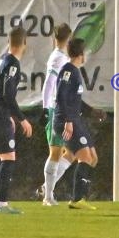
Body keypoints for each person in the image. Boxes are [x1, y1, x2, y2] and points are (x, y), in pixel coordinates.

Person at [0, 27, 33, 214]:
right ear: (24, 44)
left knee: (0, 157)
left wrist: (9, 117)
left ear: (9, 41)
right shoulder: (12, 63)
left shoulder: (4, 59)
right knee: (8, 158)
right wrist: (22, 119)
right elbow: (7, 95)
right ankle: (2, 204)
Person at [54, 38, 102, 210]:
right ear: (81, 54)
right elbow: (61, 96)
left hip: (76, 120)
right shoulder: (68, 71)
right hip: (66, 121)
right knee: (85, 157)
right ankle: (76, 199)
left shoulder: (75, 71)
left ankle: (52, 188)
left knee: (93, 158)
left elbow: (75, 101)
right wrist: (67, 121)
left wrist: (92, 111)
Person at [39, 23, 75, 206]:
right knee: (55, 152)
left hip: (61, 110)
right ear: (68, 39)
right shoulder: (58, 58)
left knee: (70, 152)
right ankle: (47, 196)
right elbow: (49, 83)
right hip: (55, 110)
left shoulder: (62, 57)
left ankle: (47, 188)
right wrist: (46, 108)